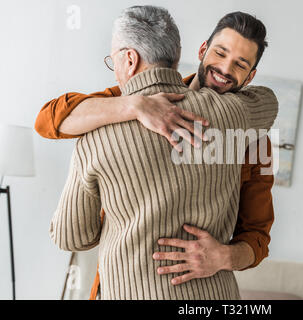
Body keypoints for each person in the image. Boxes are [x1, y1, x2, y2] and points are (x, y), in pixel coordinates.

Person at [36, 10, 277, 299]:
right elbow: (47, 119)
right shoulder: (123, 103)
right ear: (202, 50)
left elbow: (257, 236)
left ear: (250, 76)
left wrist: (223, 257)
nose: (225, 69)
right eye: (220, 53)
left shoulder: (252, 137)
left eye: (240, 64)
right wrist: (134, 106)